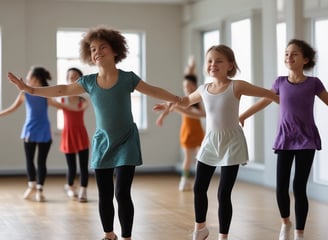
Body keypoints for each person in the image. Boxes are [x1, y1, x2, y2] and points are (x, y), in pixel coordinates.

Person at [8, 26, 182, 240]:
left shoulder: (127, 78)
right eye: (92, 49)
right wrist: (30, 89)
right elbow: (61, 90)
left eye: (102, 47)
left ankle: (126, 236)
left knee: (122, 193)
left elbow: (153, 90)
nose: (97, 51)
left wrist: (177, 99)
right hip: (103, 142)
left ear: (115, 51)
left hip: (126, 140)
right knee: (105, 193)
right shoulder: (88, 82)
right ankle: (109, 235)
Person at [154, 44, 279, 240]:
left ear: (230, 65)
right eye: (210, 61)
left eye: (219, 61)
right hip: (210, 142)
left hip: (233, 143)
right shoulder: (203, 89)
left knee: (223, 193)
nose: (213, 64)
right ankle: (200, 228)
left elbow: (268, 93)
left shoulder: (237, 86)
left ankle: (223, 236)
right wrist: (169, 106)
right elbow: (185, 101)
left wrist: (288, 102)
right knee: (198, 188)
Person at [239, 39, 328, 240]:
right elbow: (264, 101)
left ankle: (299, 233)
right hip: (285, 139)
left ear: (305, 59)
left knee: (299, 187)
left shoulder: (314, 83)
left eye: (294, 54)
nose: (289, 57)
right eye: (287, 53)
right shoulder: (279, 82)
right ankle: (286, 223)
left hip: (307, 140)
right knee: (281, 187)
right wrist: (244, 115)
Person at [0, 66, 71, 202]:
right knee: (29, 160)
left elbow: (60, 106)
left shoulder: (45, 95)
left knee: (41, 162)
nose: (26, 80)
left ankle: (39, 189)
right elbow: (11, 109)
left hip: (44, 130)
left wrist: (76, 107)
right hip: (30, 130)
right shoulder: (24, 94)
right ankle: (31, 185)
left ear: (37, 79)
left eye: (29, 77)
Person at [155, 56, 205, 191]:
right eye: (185, 86)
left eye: (189, 86)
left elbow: (202, 114)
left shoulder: (198, 100)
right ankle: (184, 180)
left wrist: (191, 67)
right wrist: (162, 117)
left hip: (198, 132)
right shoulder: (183, 100)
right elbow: (170, 106)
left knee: (202, 158)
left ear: (194, 86)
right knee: (188, 158)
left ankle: (199, 180)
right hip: (187, 131)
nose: (187, 88)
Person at [60, 67, 90, 202]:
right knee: (71, 166)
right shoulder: (62, 99)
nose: (72, 79)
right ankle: (70, 186)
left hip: (80, 134)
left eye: (76, 76)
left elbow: (77, 109)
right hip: (68, 134)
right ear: (67, 79)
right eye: (70, 76)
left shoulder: (83, 101)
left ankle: (83, 189)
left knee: (84, 165)